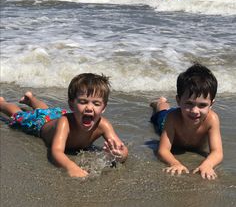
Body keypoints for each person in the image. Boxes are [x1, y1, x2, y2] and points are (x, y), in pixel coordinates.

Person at [0, 73, 128, 178]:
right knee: (18, 115)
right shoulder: (64, 123)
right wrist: (71, 167)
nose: (89, 107)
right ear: (72, 105)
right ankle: (2, 102)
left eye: (96, 103)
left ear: (104, 107)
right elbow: (56, 151)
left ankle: (31, 99)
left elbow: (121, 148)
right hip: (40, 122)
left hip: (57, 114)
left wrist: (120, 155)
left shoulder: (103, 125)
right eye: (83, 102)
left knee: (47, 110)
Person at [150, 63, 223, 180]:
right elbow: (163, 150)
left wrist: (207, 165)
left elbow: (217, 152)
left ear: (211, 104)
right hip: (166, 119)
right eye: (189, 103)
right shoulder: (172, 118)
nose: (195, 111)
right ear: (178, 100)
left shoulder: (212, 120)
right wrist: (174, 163)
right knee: (161, 111)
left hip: (183, 112)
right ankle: (160, 102)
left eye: (202, 105)